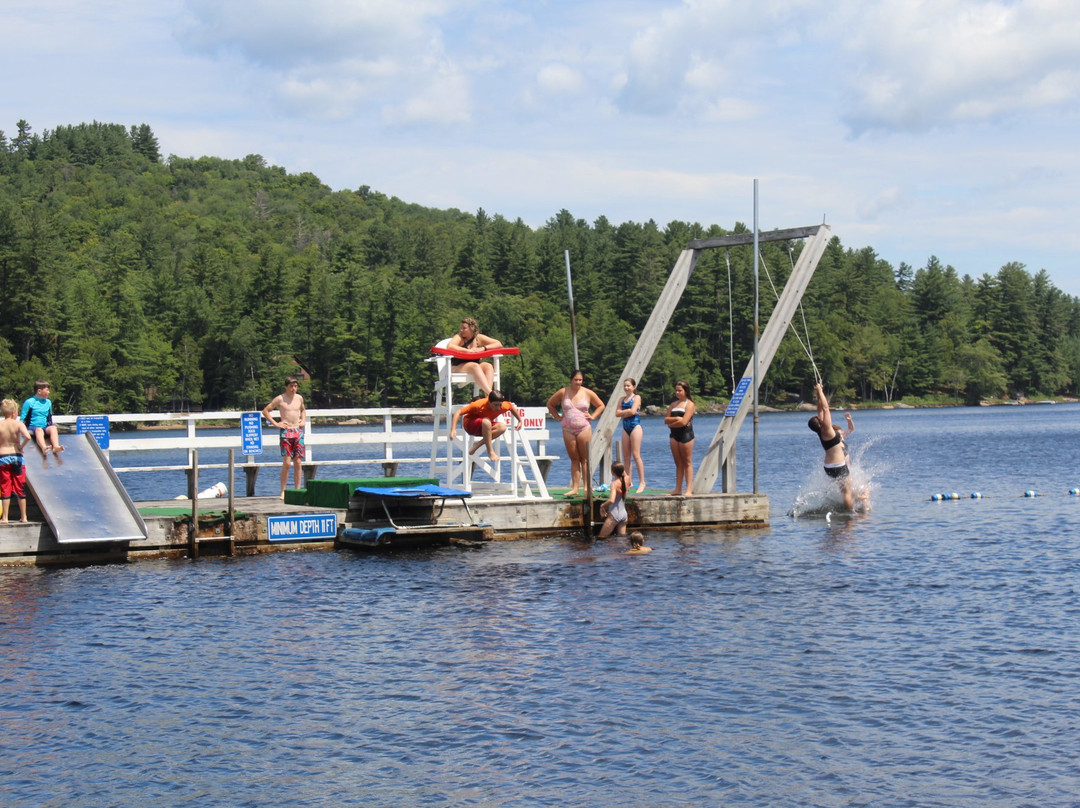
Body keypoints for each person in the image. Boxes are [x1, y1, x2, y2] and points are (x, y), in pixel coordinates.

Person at [546, 370, 605, 497]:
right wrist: (557, 416)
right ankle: (575, 487)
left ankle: (586, 487)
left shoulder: (587, 392)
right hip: (567, 428)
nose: (578, 382)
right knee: (574, 458)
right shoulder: (563, 392)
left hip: (584, 428)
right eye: (576, 380)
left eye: (580, 380)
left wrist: (593, 416)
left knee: (584, 459)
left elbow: (601, 405)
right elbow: (550, 404)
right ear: (571, 379)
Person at [807, 382, 857, 510]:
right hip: (838, 465)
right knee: (847, 492)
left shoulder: (820, 431)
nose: (820, 417)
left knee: (843, 490)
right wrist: (820, 390)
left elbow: (820, 410)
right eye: (819, 418)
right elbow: (825, 409)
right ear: (819, 423)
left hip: (829, 467)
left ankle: (840, 508)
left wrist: (819, 393)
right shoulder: (827, 430)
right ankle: (849, 517)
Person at [262, 376, 307, 498]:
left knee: (298, 462)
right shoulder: (280, 399)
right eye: (291, 386)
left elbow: (303, 410)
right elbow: (265, 411)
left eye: (295, 386)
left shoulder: (299, 398)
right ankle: (283, 491)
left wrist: (303, 421)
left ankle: (297, 490)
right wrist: (276, 423)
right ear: (286, 387)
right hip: (286, 432)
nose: (294, 388)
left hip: (297, 431)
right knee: (287, 463)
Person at [449, 390, 522, 462]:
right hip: (470, 425)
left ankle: (477, 444)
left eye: (500, 404)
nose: (498, 408)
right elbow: (458, 412)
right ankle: (490, 452)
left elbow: (511, 407)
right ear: (489, 402)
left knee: (502, 427)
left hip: (484, 428)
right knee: (486, 421)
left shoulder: (503, 406)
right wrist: (453, 429)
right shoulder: (478, 405)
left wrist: (520, 420)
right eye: (495, 405)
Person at [447, 317, 502, 395]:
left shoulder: (478, 338)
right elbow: (450, 346)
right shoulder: (459, 337)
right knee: (474, 366)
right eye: (461, 328)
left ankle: (487, 398)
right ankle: (491, 395)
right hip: (457, 367)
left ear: (472, 328)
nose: (461, 330)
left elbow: (498, 344)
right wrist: (468, 351)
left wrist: (483, 348)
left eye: (464, 328)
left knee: (488, 366)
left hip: (474, 366)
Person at [0, 399, 32, 523]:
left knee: (5, 487)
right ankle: (24, 517)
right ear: (14, 412)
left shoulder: (0, 425)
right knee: (20, 487)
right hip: (17, 457)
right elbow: (28, 437)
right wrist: (21, 446)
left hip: (3, 458)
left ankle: (5, 517)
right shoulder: (18, 424)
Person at [665, 380, 696, 497]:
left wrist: (677, 420)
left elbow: (684, 422)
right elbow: (666, 420)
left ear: (686, 391)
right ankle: (678, 489)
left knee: (687, 462)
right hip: (674, 434)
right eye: (676, 390)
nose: (677, 392)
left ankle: (688, 489)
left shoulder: (690, 404)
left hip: (686, 435)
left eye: (680, 390)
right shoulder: (673, 405)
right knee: (678, 463)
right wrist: (677, 418)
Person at [617, 378, 646, 493]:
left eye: (628, 386)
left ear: (634, 387)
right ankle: (628, 481)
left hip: (635, 426)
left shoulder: (637, 397)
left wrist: (624, 412)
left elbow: (633, 412)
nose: (626, 388)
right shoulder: (621, 399)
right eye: (625, 386)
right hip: (625, 427)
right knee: (626, 456)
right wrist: (627, 412)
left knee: (636, 455)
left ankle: (642, 482)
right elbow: (616, 413)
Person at [20, 380, 63, 454]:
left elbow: (49, 416)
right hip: (32, 427)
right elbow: (22, 418)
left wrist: (51, 425)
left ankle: (56, 446)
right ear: (39, 391)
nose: (49, 392)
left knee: (53, 428)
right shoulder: (29, 402)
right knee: (39, 430)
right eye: (47, 390)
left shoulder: (48, 402)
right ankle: (44, 447)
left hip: (44, 426)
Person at [598, 461, 631, 538]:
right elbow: (624, 473)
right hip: (624, 514)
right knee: (621, 539)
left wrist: (602, 506)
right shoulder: (627, 479)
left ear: (612, 472)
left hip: (614, 514)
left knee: (601, 538)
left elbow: (612, 500)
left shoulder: (614, 484)